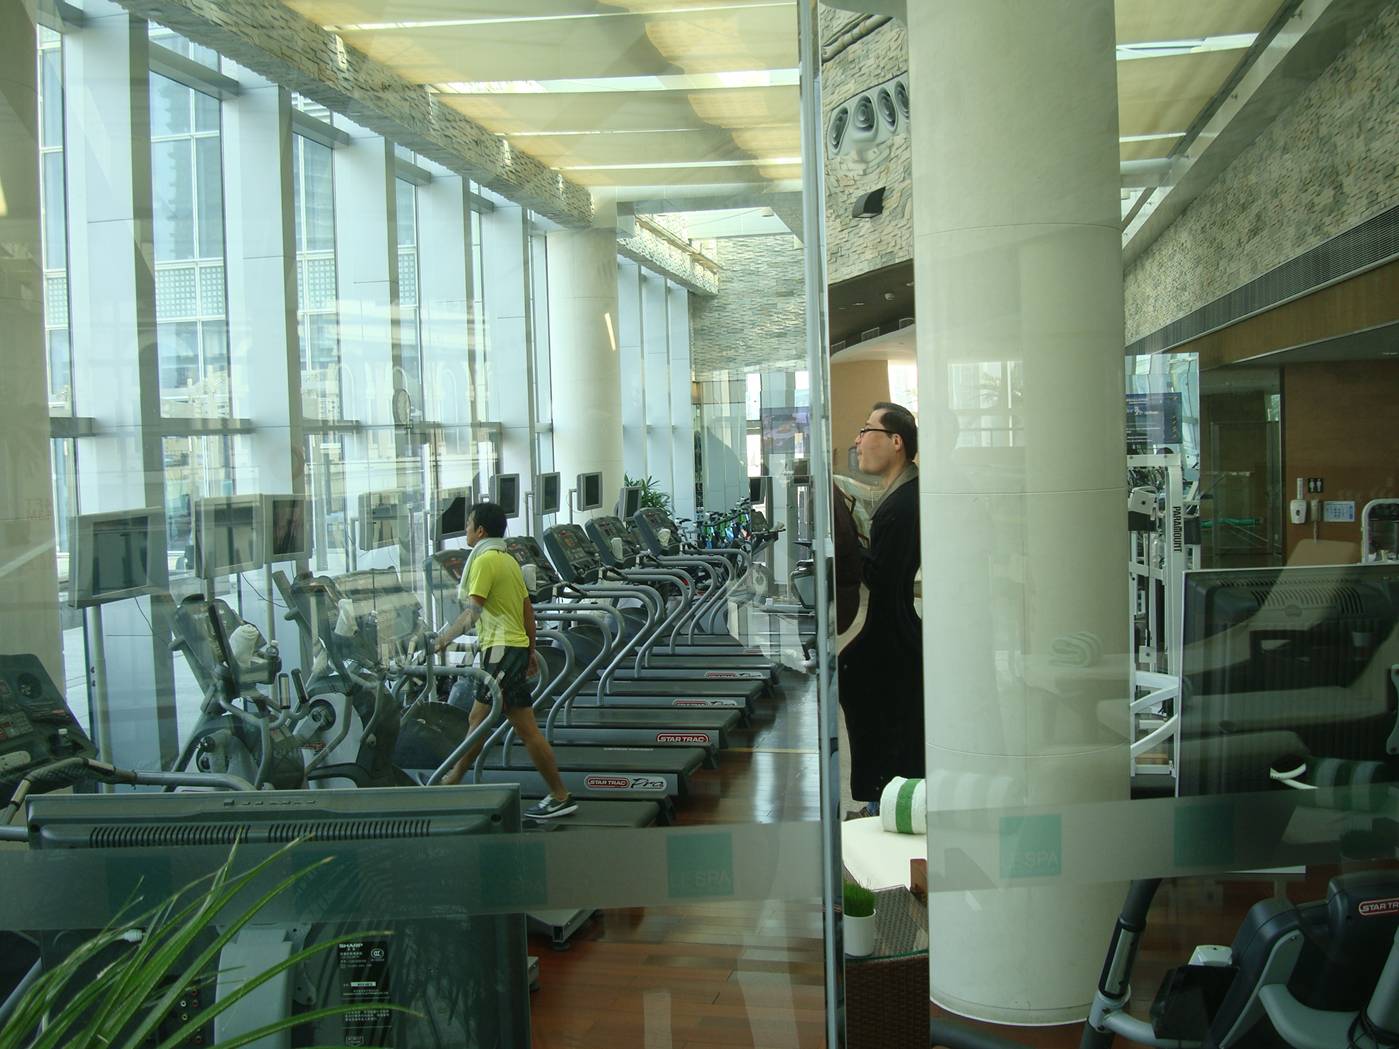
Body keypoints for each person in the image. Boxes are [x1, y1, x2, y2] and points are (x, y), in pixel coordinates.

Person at [434, 501, 576, 819]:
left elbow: (473, 612)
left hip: (499, 651)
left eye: (469, 525)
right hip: (509, 649)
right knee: (482, 720)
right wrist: (529, 650)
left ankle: (560, 793)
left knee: (514, 727)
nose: (466, 531)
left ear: (480, 530)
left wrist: (443, 639)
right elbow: (527, 611)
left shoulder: (484, 561)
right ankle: (454, 777)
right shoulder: (507, 559)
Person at [840, 401, 924, 812]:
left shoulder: (904, 505)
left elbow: (886, 579)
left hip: (896, 647)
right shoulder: (903, 496)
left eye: (866, 430)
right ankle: (880, 804)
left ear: (895, 442)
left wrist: (853, 547)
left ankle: (882, 807)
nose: (857, 440)